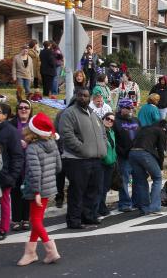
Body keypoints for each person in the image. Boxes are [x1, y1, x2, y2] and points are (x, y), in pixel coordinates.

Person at [58, 88, 107, 229]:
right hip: (77, 160)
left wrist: (102, 146)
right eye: (80, 95)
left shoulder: (94, 115)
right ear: (76, 97)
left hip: (95, 159)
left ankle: (89, 216)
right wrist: (82, 149)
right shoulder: (69, 113)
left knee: (93, 190)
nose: (83, 98)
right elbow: (67, 135)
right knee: (77, 191)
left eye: (86, 96)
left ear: (89, 98)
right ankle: (74, 220)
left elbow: (103, 133)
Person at [17, 112, 62, 266]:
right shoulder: (53, 144)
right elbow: (58, 167)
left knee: (35, 221)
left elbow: (35, 172)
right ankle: (30, 252)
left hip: (37, 189)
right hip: (49, 187)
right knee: (37, 220)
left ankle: (51, 250)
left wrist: (36, 191)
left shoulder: (32, 149)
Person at [0, 103, 24, 240]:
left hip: (4, 174)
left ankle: (3, 229)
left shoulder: (11, 131)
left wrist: (12, 176)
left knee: (4, 203)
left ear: (5, 115)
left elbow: (17, 155)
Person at [129, 120, 167, 216]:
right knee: (157, 178)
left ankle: (144, 208)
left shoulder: (144, 128)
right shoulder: (160, 131)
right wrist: (161, 167)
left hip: (132, 153)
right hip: (144, 153)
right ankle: (154, 207)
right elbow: (161, 150)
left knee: (140, 180)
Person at [9, 100, 33, 231]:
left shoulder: (33, 124)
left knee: (28, 192)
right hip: (16, 164)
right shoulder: (11, 125)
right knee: (16, 192)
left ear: (30, 110)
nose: (23, 110)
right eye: (20, 108)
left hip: (30, 163)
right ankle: (16, 219)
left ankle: (26, 219)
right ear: (17, 110)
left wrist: (28, 144)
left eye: (26, 108)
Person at [113, 99, 140, 212]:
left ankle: (136, 201)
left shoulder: (136, 120)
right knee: (124, 180)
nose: (130, 110)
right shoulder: (116, 121)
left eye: (131, 107)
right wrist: (121, 151)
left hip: (137, 155)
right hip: (123, 156)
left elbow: (141, 134)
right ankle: (124, 203)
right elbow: (114, 139)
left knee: (138, 179)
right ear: (122, 108)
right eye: (128, 108)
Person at [96, 112, 117, 218]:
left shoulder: (111, 132)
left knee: (105, 187)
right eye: (108, 119)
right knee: (100, 188)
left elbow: (113, 148)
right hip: (102, 164)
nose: (109, 121)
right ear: (103, 119)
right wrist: (105, 158)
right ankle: (99, 209)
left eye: (112, 120)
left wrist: (114, 159)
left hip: (111, 164)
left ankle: (102, 207)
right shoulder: (100, 132)